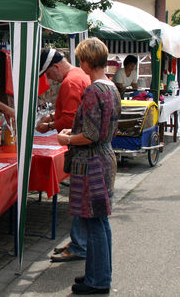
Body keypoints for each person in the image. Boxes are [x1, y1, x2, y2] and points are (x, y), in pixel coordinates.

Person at [57, 37, 121, 295]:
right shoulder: (111, 87)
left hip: (92, 161)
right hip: (104, 157)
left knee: (94, 224)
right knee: (100, 223)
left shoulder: (95, 90)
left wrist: (67, 138)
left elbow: (91, 134)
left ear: (85, 60)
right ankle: (98, 274)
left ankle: (98, 281)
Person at [35, 49, 91, 264]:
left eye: (49, 74)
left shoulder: (70, 82)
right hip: (83, 147)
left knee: (78, 199)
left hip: (79, 148)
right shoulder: (78, 75)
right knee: (80, 198)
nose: (50, 79)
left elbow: (69, 120)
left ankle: (78, 244)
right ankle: (78, 241)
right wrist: (51, 117)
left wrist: (49, 125)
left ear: (56, 67)